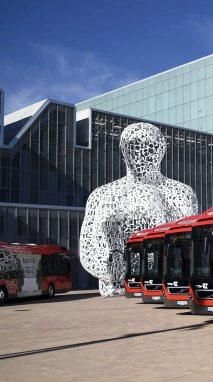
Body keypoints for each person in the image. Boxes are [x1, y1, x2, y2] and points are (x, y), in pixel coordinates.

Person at [79, 123, 198, 296]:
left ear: (161, 149)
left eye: (149, 146)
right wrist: (115, 276)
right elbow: (88, 250)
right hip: (114, 293)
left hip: (166, 288)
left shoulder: (182, 193)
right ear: (123, 150)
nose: (140, 153)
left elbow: (191, 244)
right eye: (133, 146)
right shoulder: (101, 195)